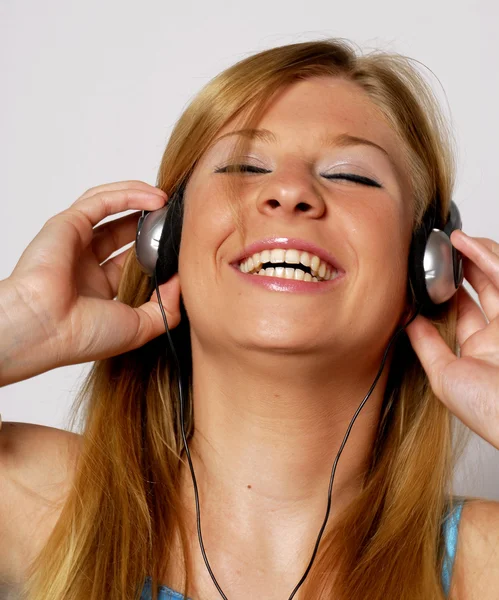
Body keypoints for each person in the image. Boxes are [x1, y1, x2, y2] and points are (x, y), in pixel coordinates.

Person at [0, 38, 498, 600]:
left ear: (426, 269)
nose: (290, 191)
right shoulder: (49, 502)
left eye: (352, 175)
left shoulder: (483, 564)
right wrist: (17, 321)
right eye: (245, 165)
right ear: (164, 241)